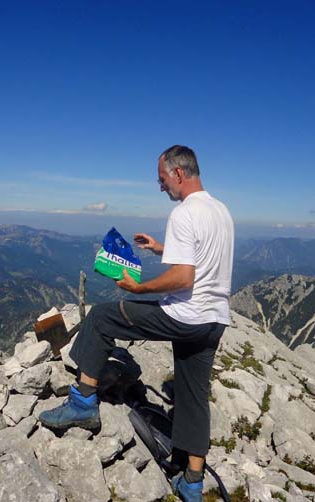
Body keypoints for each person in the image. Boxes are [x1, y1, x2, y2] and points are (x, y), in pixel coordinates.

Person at [39, 145, 234, 502]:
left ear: (178, 173)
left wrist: (139, 287)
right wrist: (162, 248)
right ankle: (192, 483)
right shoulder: (220, 211)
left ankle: (82, 403)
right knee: (193, 395)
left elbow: (184, 278)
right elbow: (203, 258)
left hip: (185, 316)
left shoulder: (185, 213)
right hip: (213, 321)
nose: (161, 187)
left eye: (162, 179)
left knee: (101, 316)